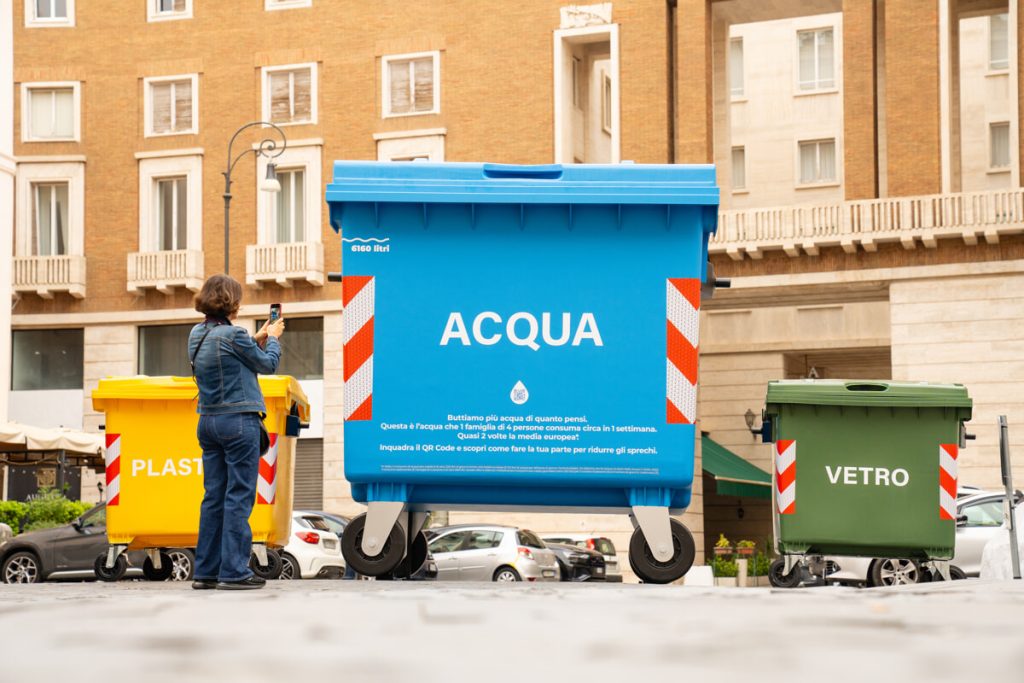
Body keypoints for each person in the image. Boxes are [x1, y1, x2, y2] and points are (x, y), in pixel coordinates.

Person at [188, 274, 284, 590]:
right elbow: (267, 365)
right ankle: (233, 571)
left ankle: (206, 572)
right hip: (238, 422)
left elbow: (231, 356)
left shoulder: (197, 334)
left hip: (208, 422)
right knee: (239, 496)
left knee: (213, 496)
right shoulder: (234, 335)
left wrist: (255, 339)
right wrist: (274, 339)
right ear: (233, 302)